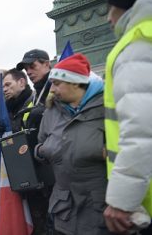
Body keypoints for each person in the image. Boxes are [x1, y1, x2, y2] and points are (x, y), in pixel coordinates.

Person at [34, 53, 109, 234]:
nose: (52, 89)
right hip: (64, 211)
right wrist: (42, 151)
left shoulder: (107, 106)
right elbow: (40, 144)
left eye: (57, 83)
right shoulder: (52, 110)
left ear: (75, 82)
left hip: (100, 211)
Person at [102, 0, 152, 234]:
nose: (108, 18)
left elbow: (142, 131)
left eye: (110, 9)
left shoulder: (138, 43)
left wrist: (122, 200)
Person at [16, 49, 55, 235]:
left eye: (33, 66)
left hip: (54, 169)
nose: (29, 71)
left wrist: (44, 113)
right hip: (35, 169)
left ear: (47, 64)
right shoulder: (35, 94)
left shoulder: (56, 86)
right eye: (26, 69)